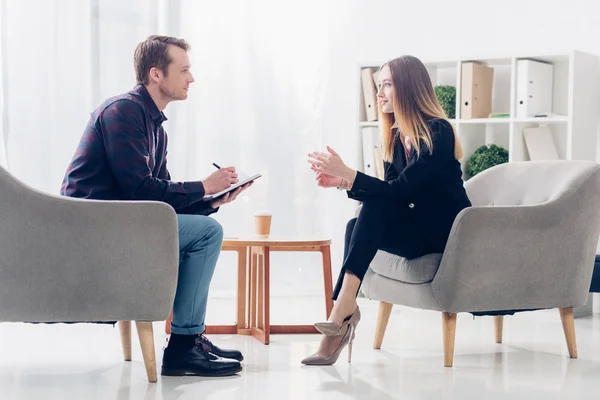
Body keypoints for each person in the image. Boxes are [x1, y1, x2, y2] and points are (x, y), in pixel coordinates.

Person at [61, 35, 252, 377]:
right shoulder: (123, 111)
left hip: (123, 221)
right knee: (208, 235)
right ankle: (183, 344)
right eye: (184, 70)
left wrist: (211, 201)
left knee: (205, 227)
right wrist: (203, 186)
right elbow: (139, 190)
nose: (191, 79)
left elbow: (158, 201)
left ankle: (188, 339)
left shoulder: (154, 127)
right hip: (93, 227)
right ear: (156, 74)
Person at [303, 55, 472, 365]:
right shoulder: (394, 136)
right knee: (356, 224)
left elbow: (402, 191)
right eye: (378, 85)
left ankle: (341, 314)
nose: (379, 94)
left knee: (373, 207)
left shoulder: (439, 132)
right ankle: (343, 311)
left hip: (446, 234)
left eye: (386, 85)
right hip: (415, 229)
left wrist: (351, 175)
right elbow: (391, 196)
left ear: (408, 87)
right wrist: (344, 182)